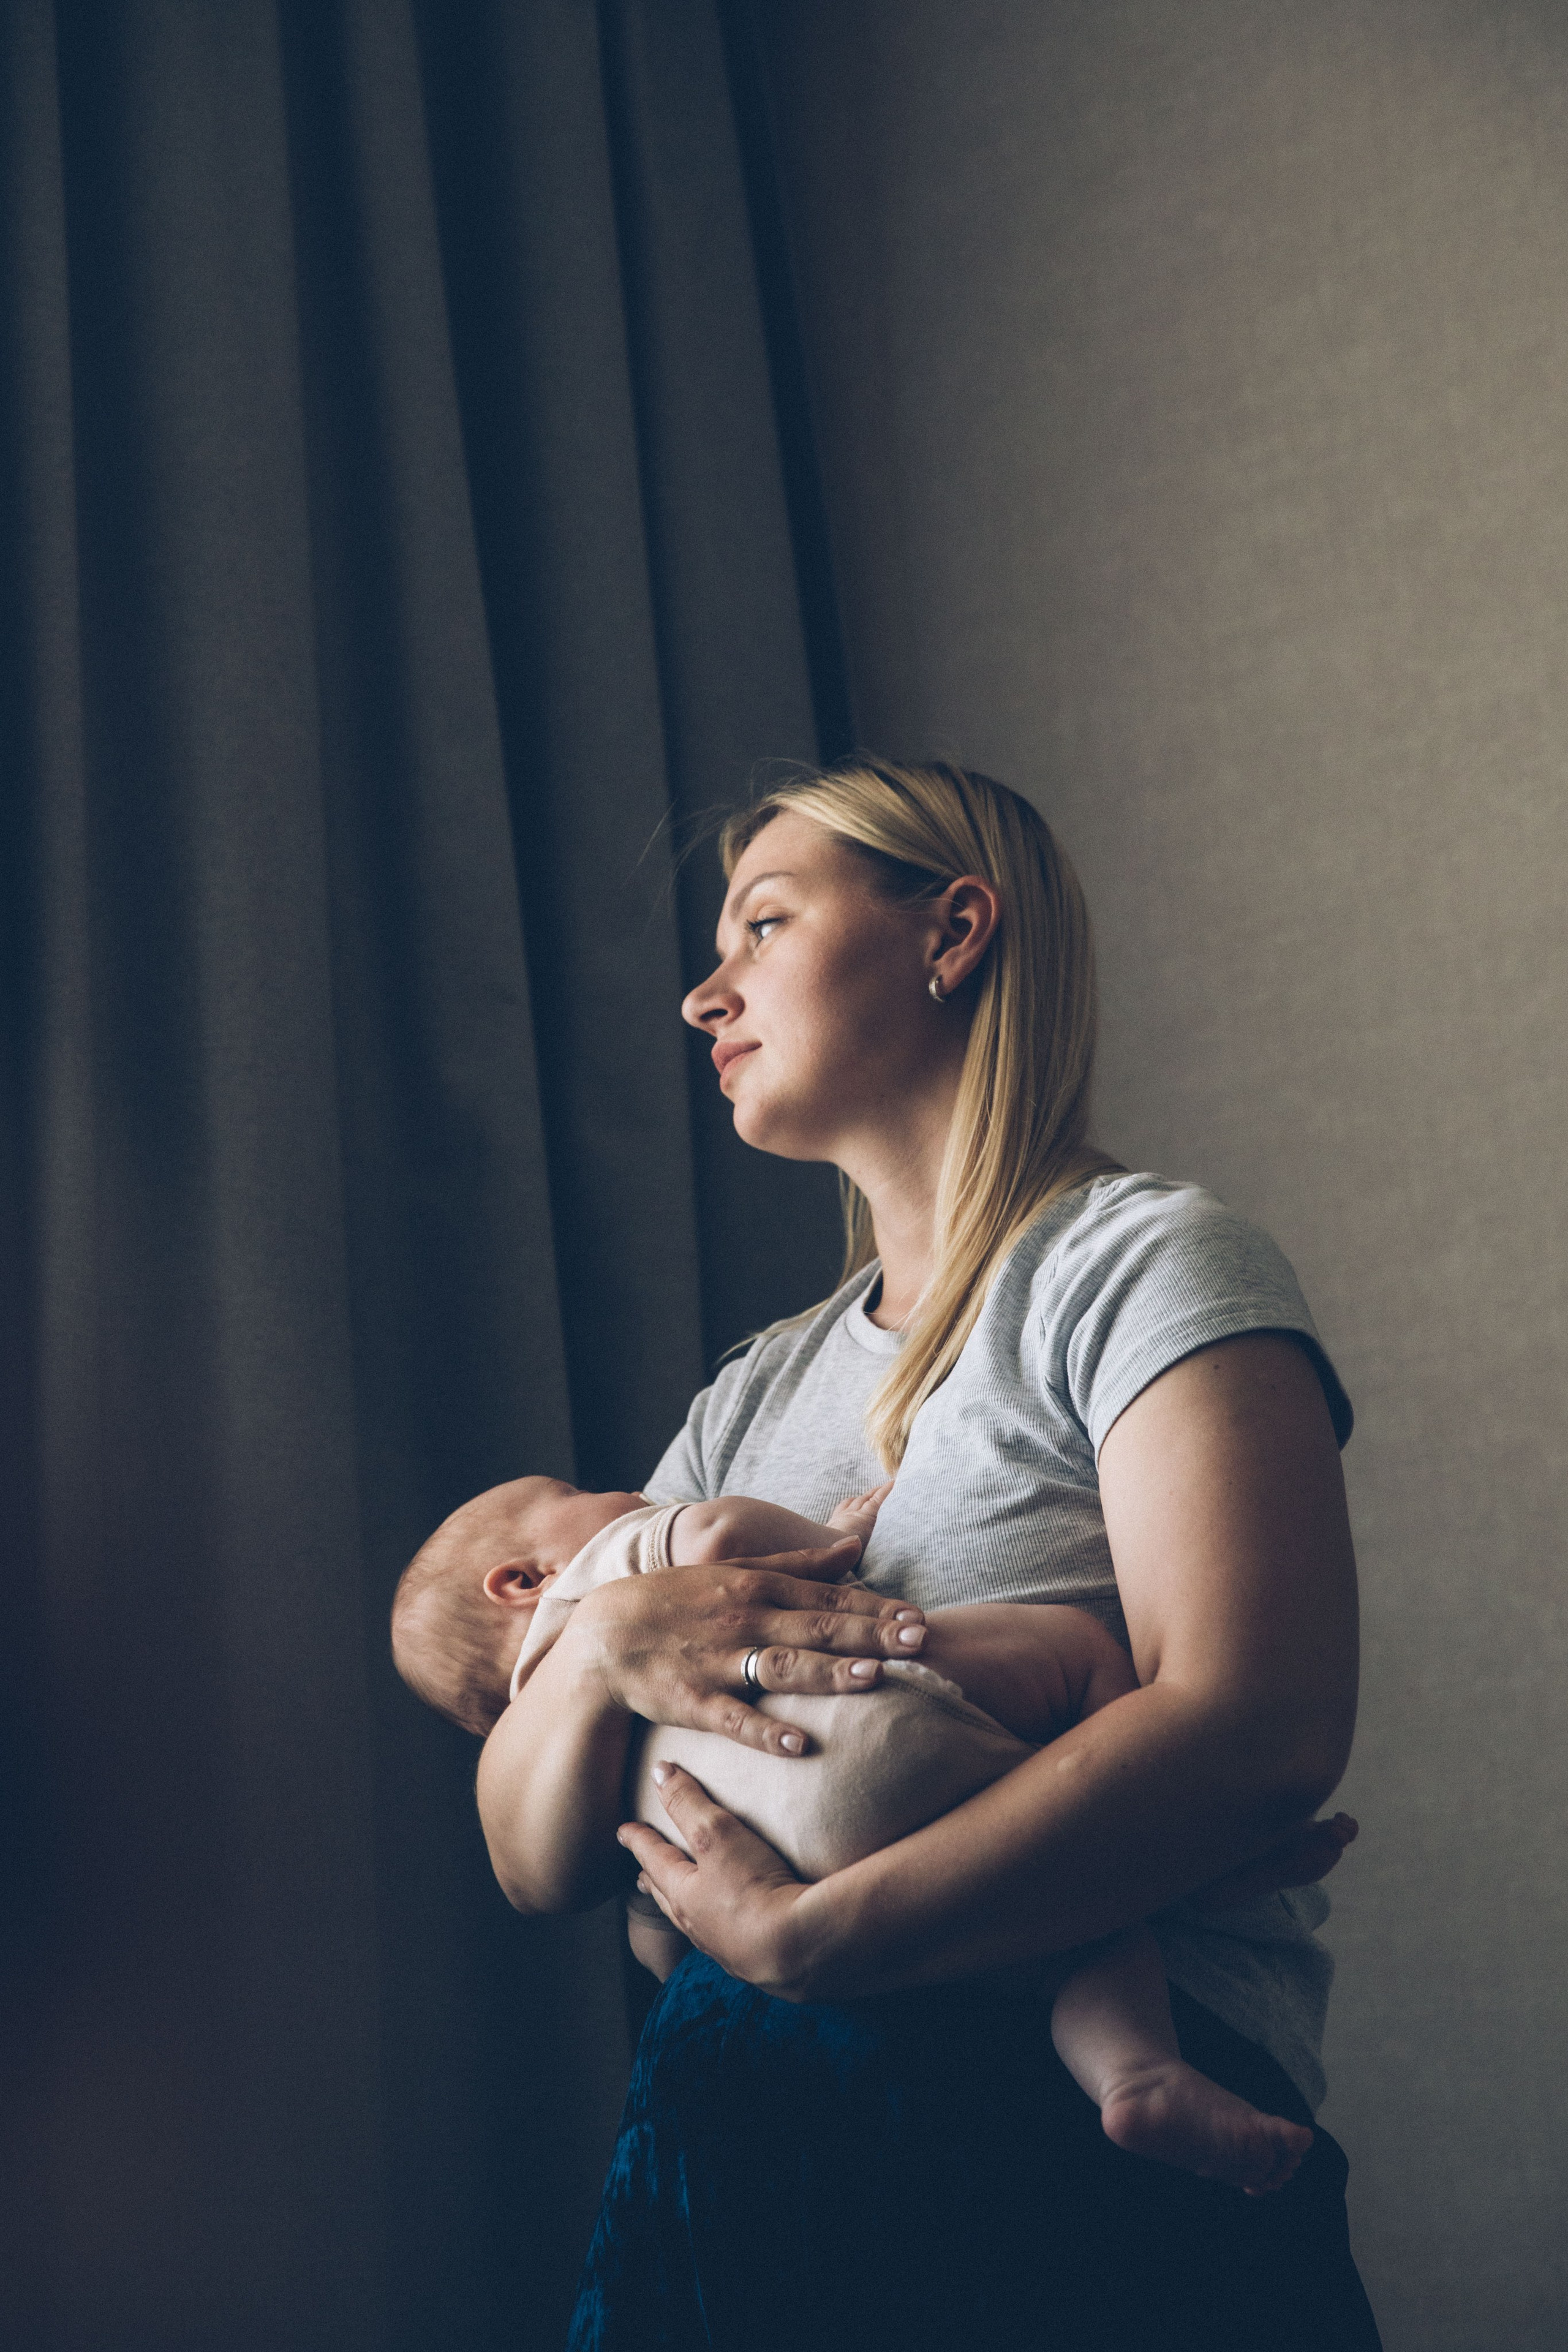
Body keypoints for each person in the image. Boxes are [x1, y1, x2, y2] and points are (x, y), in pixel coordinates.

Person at [475, 760, 1383, 2349]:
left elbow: (1262, 1728)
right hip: (721, 2158)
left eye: (763, 922)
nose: (705, 993)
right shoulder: (750, 1394)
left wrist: (824, 1938)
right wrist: (607, 1654)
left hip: (1066, 2163)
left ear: (952, 932)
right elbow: (530, 1854)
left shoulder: (1145, 1268)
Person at [394, 1473, 1357, 2192]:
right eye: (581, 1489)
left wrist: (698, 1940)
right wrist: (833, 1533)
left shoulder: (569, 1747)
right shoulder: (613, 1560)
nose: (625, 1487)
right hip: (866, 1730)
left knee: (1074, 1944)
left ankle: (1140, 2068)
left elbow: (639, 1913)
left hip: (773, 1865)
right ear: (520, 1580)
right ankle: (1169, 1961)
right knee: (1074, 1661)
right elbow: (722, 1530)